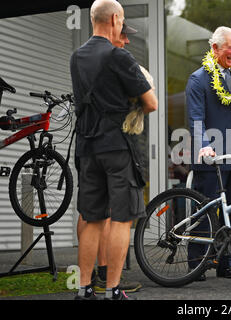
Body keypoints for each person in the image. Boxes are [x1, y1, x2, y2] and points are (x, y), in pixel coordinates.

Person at [70, 0, 158, 300]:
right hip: (116, 147)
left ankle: (83, 288)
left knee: (91, 216)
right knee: (121, 218)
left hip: (86, 146)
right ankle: (112, 289)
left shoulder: (76, 57)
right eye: (122, 21)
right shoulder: (119, 56)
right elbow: (151, 103)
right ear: (115, 19)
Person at [186, 26, 231, 280]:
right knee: (204, 211)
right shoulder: (198, 79)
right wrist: (203, 144)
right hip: (210, 156)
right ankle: (196, 262)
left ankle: (226, 262)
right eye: (229, 48)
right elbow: (196, 118)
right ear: (215, 48)